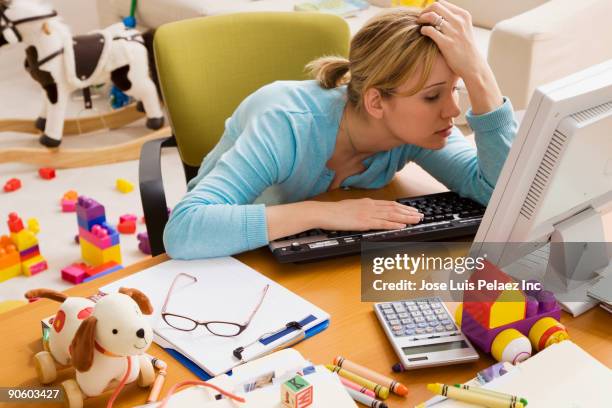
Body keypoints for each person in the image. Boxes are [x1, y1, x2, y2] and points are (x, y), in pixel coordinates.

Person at [164, 0, 517, 259]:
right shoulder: (285, 124)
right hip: (230, 258)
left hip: (304, 260)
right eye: (432, 96)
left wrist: (479, 76)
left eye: (455, 88)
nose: (453, 111)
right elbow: (184, 230)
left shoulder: (414, 133)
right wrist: (323, 213)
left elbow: (500, 194)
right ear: (377, 102)